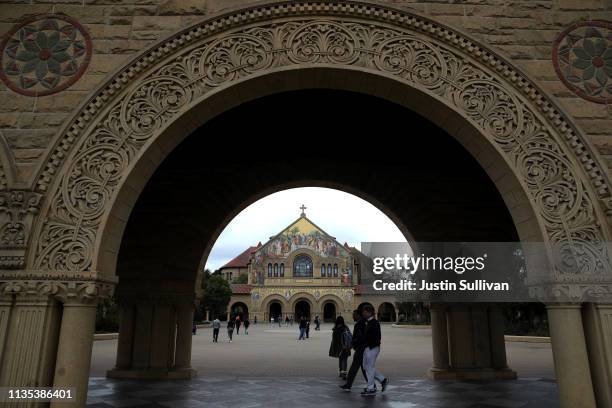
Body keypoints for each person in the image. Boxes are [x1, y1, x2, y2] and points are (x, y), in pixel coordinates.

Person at [360, 305, 388, 396]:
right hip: (368, 347)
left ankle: (371, 388)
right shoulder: (369, 322)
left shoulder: (374, 323)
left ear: (369, 312)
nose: (363, 314)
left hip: (372, 347)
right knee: (366, 366)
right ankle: (383, 379)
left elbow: (376, 337)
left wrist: (369, 344)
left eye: (364, 312)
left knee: (370, 367)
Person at [340, 310, 368, 391]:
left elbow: (359, 337)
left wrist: (351, 344)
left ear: (358, 315)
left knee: (356, 367)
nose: (352, 316)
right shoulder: (362, 323)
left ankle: (380, 381)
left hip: (360, 349)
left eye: (354, 315)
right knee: (362, 368)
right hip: (362, 348)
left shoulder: (359, 324)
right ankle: (349, 384)